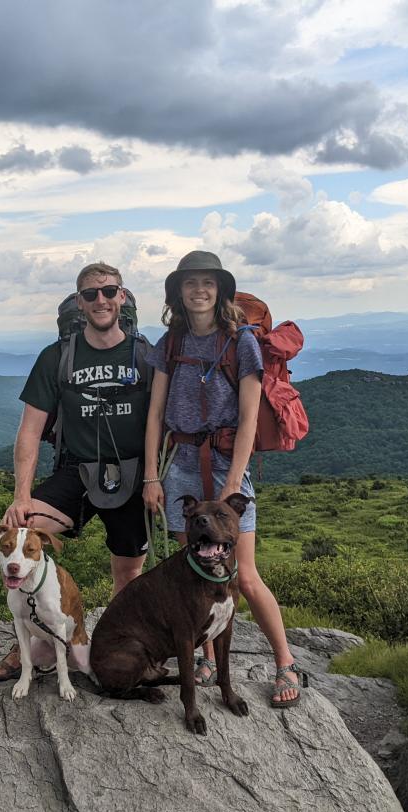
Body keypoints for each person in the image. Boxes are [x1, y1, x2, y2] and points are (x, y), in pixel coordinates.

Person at [142, 250, 304, 707]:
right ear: (177, 292)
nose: (199, 290)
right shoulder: (169, 343)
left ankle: (285, 663)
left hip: (224, 465)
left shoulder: (240, 343)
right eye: (190, 283)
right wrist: (152, 477)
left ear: (220, 290)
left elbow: (250, 418)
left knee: (245, 576)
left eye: (207, 283)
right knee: (194, 570)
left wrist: (234, 482)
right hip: (181, 467)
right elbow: (155, 415)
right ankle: (208, 657)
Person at [0, 262, 150, 681]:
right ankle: (38, 639)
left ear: (122, 297)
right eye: (92, 294)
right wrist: (21, 496)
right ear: (79, 302)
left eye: (109, 292)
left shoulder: (147, 356)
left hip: (134, 473)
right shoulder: (57, 357)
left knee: (129, 572)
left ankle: (117, 644)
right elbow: (29, 431)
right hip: (76, 470)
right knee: (25, 532)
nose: (101, 300)